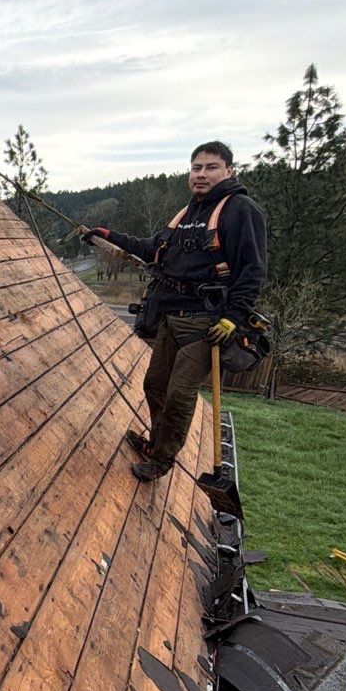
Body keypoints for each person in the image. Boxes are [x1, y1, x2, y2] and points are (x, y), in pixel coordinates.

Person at [82, 142, 267, 481]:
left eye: (211, 167)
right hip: (171, 316)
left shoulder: (241, 210)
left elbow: (253, 271)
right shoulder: (187, 214)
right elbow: (151, 249)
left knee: (180, 394)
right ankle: (157, 442)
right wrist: (108, 236)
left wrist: (233, 318)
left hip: (207, 323)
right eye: (196, 168)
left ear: (229, 171)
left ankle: (162, 459)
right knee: (154, 385)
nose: (201, 174)